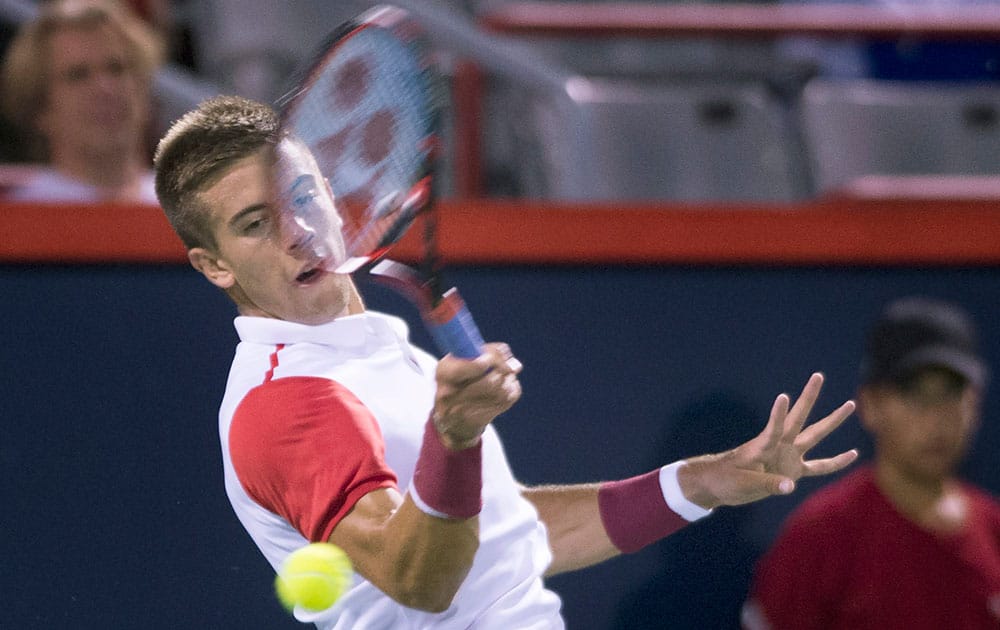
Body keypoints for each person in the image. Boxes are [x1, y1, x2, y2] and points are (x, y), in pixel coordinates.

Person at [152, 94, 859, 629]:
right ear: (214, 265)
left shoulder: (365, 349)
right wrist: (453, 440)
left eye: (301, 196)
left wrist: (700, 482)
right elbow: (419, 579)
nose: (299, 233)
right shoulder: (288, 405)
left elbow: (498, 541)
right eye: (255, 223)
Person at [743, 296, 1000, 630]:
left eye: (951, 394)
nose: (936, 419)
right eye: (916, 395)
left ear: (975, 405)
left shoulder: (993, 529)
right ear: (871, 404)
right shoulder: (820, 535)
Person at [0, 0, 164, 203]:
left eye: (116, 68)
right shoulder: (12, 213)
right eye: (78, 75)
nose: (105, 88)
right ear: (40, 107)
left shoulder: (198, 213)